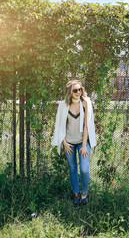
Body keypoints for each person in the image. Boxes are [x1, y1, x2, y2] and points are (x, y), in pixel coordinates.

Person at [51, 80, 96, 208]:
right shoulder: (63, 105)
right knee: (72, 169)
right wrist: (64, 143)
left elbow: (87, 125)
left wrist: (83, 145)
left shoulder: (86, 103)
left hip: (83, 142)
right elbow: (59, 125)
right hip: (69, 143)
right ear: (70, 92)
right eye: (75, 90)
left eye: (80, 89)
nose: (78, 92)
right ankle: (76, 196)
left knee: (84, 169)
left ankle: (84, 195)